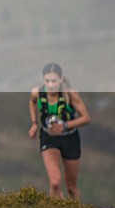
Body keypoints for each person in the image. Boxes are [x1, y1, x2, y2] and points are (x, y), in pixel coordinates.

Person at [28, 62, 90, 200]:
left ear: (61, 79)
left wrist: (65, 126)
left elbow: (86, 118)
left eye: (54, 81)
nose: (50, 85)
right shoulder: (38, 92)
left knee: (71, 187)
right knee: (55, 183)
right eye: (47, 81)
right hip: (49, 138)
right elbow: (32, 102)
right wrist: (34, 123)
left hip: (69, 138)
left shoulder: (70, 95)